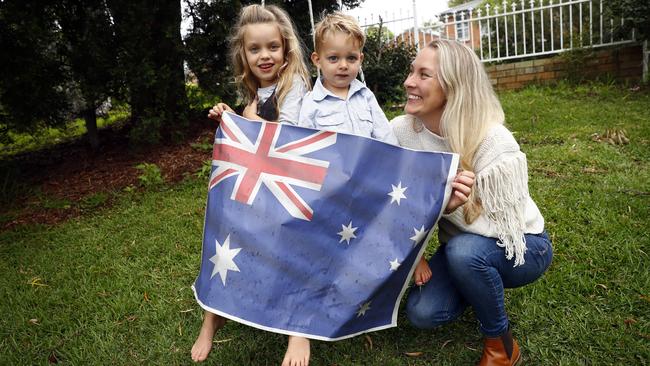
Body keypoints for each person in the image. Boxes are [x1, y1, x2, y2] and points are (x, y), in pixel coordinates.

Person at [392, 39, 553, 366]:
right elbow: (395, 204)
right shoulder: (401, 133)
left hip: (520, 245)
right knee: (423, 313)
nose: (409, 82)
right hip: (459, 249)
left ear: (453, 87)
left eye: (424, 75)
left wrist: (446, 207)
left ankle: (501, 345)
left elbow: (503, 229)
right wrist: (435, 219)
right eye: (412, 72)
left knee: (465, 253)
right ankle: (476, 284)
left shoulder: (492, 140)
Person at [192, 4, 312, 365]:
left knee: (296, 243)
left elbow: (283, 139)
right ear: (243, 55)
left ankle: (299, 330)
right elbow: (246, 145)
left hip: (292, 189)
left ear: (286, 49)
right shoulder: (252, 95)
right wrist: (230, 120)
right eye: (255, 49)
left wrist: (246, 119)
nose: (265, 56)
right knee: (225, 231)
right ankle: (212, 317)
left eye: (272, 47)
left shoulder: (295, 88)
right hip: (260, 188)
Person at [298, 12, 397, 145]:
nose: (344, 66)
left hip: (367, 164)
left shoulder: (366, 97)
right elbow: (304, 148)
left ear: (360, 59)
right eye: (333, 58)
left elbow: (387, 139)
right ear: (317, 60)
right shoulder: (311, 103)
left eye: (351, 58)